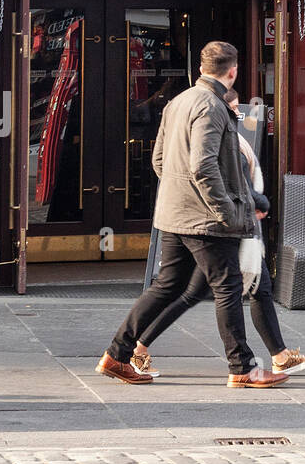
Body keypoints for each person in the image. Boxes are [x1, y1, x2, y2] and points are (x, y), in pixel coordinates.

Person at [97, 41, 287, 388]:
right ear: (232, 72)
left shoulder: (177, 102)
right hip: (206, 219)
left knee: (167, 287)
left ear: (202, 68)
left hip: (175, 213)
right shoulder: (213, 107)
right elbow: (203, 166)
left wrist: (182, 196)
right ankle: (242, 368)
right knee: (228, 288)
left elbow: (159, 161)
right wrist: (225, 211)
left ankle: (116, 355)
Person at [130, 92, 305, 377]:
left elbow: (161, 166)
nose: (236, 115)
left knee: (192, 291)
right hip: (225, 225)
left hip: (207, 222)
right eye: (232, 109)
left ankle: (136, 348)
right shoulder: (226, 141)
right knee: (239, 289)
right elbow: (237, 185)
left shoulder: (189, 124)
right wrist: (254, 204)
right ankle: (252, 363)